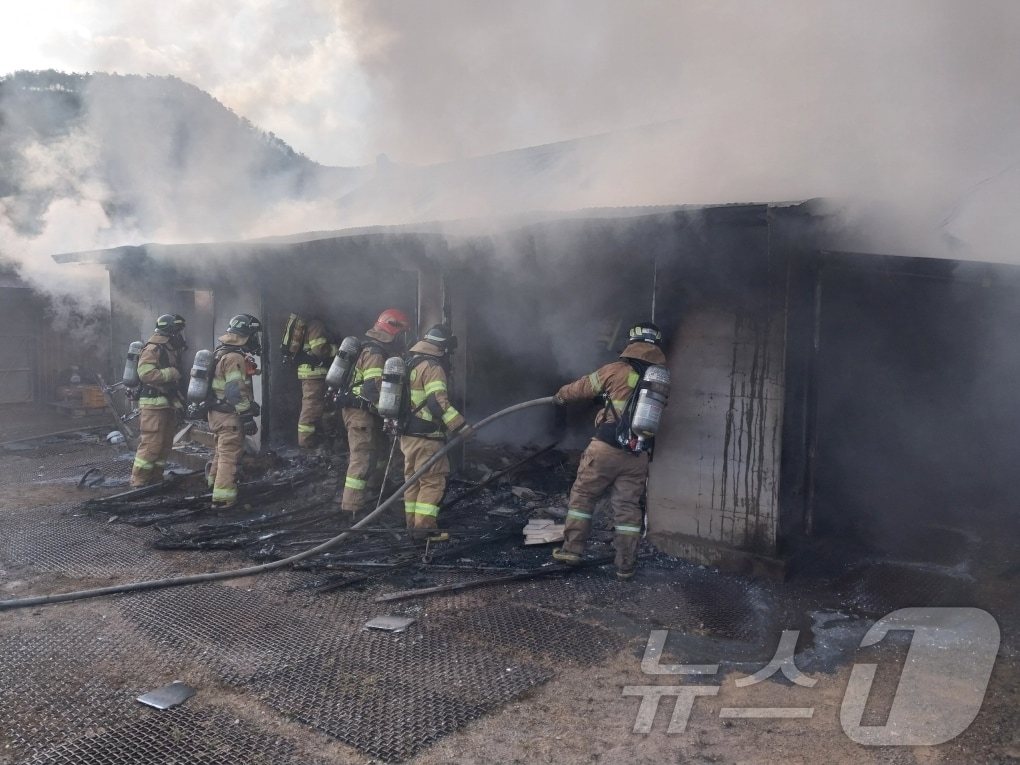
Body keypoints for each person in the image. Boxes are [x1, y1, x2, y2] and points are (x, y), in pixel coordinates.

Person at [551, 321, 668, 580]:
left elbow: (581, 387)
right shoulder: (659, 379)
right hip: (637, 453)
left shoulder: (617, 370)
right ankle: (625, 565)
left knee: (583, 497)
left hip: (605, 447)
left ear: (631, 342)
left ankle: (572, 550)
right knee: (627, 508)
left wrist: (559, 396)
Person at [399, 324, 476, 541]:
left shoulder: (409, 361)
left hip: (407, 435)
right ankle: (425, 530)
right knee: (432, 481)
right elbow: (437, 403)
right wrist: (461, 426)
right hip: (427, 437)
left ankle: (413, 526)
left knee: (412, 481)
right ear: (442, 348)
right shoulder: (432, 367)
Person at [338, 308, 411, 515]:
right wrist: (393, 413)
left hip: (369, 412)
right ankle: (352, 509)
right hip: (361, 412)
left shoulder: (377, 348)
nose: (402, 338)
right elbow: (372, 389)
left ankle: (375, 488)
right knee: (361, 458)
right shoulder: (375, 353)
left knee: (378, 453)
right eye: (402, 333)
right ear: (392, 329)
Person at [206, 313, 262, 510]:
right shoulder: (234, 357)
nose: (256, 340)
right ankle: (223, 501)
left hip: (217, 413)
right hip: (229, 416)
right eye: (255, 335)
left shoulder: (221, 352)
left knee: (221, 454)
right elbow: (234, 391)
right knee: (229, 456)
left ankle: (212, 488)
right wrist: (247, 416)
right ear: (247, 334)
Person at [130, 313, 187, 487]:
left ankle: (155, 477)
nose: (180, 335)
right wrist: (170, 373)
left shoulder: (168, 347)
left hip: (165, 403)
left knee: (165, 442)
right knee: (151, 443)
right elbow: (145, 374)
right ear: (170, 331)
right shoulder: (153, 348)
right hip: (153, 404)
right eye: (177, 331)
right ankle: (138, 481)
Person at [294, 317, 336, 449]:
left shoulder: (309, 324)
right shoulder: (316, 325)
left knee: (324, 406)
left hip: (314, 373)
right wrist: (337, 349)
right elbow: (319, 349)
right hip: (314, 373)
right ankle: (306, 444)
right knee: (311, 407)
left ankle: (328, 436)